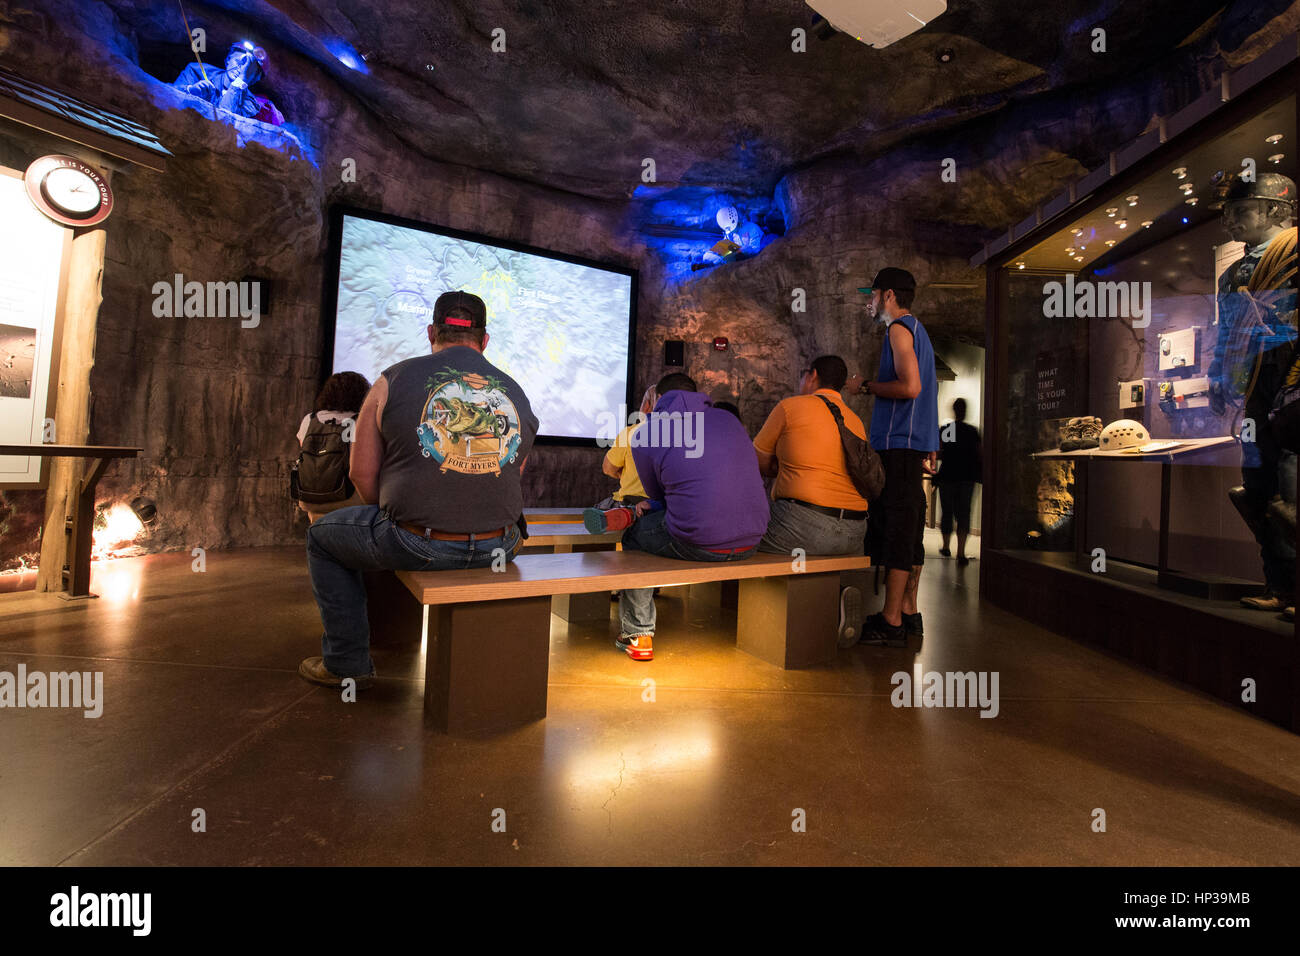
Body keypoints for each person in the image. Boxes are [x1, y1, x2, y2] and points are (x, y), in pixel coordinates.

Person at [299, 291, 538, 688]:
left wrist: (397, 511)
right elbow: (511, 472)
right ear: (485, 339)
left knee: (321, 539)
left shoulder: (391, 379)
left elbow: (361, 475)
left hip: (416, 543)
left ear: (431, 331)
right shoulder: (517, 394)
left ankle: (346, 663)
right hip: (502, 545)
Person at [585, 372, 768, 660]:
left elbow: (658, 497)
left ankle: (638, 634)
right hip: (753, 541)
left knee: (635, 536)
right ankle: (632, 515)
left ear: (657, 400)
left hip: (701, 541)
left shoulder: (648, 432)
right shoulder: (729, 420)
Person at [1206, 172, 1297, 613]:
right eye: (1228, 214)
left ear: (1275, 211)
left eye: (1241, 212)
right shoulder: (1231, 275)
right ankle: (1278, 585)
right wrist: (1217, 375)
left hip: (1293, 377)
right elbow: (1226, 330)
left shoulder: (1295, 252)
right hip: (1254, 383)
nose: (1231, 223)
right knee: (1259, 482)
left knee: (1293, 480)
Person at [846, 268, 939, 647]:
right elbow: (927, 391)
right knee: (912, 526)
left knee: (898, 530)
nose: (869, 301)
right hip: (912, 444)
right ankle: (909, 612)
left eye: (873, 294)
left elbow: (912, 386)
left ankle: (890, 619)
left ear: (888, 296)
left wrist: (865, 386)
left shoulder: (898, 329)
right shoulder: (920, 331)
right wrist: (931, 439)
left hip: (897, 444)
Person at [753, 355, 869, 642]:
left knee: (741, 539)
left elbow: (758, 462)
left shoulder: (790, 407)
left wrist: (783, 467)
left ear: (813, 376)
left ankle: (768, 629)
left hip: (803, 526)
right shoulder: (855, 420)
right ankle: (833, 604)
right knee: (805, 549)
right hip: (855, 534)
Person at [295, 371, 370, 523]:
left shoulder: (309, 420)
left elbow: (304, 450)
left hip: (309, 497)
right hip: (347, 497)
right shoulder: (362, 421)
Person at [173, 41, 276, 121]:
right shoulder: (197, 71)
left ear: (255, 79)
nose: (240, 68)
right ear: (228, 60)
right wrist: (190, 90)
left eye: (248, 68)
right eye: (238, 62)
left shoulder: (251, 104)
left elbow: (224, 122)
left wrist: (241, 79)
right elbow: (167, 94)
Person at [935, 397, 981, 567]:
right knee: (964, 514)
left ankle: (946, 546)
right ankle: (960, 552)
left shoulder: (948, 429)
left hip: (948, 476)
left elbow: (939, 451)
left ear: (954, 410)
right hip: (967, 477)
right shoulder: (972, 432)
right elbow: (979, 454)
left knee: (947, 512)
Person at [594, 385, 656, 511]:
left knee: (596, 512)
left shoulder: (630, 433)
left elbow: (608, 468)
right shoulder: (683, 436)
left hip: (631, 503)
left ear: (647, 406)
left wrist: (625, 474)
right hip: (666, 507)